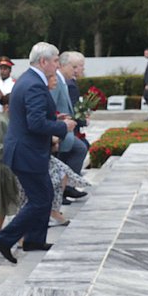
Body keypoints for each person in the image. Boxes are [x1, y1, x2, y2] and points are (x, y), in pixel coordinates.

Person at [0, 43, 75, 264]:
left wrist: (55, 120)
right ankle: (4, 238)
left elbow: (31, 117)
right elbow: (36, 123)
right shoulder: (35, 84)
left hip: (27, 151)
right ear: (43, 61)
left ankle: (34, 240)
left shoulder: (29, 79)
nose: (57, 65)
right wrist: (62, 128)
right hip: (27, 153)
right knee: (40, 199)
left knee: (44, 196)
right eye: (56, 60)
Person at [51, 52, 89, 203]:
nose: (76, 70)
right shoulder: (57, 81)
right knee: (77, 149)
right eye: (73, 67)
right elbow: (52, 106)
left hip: (65, 129)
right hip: (60, 129)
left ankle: (65, 188)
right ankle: (64, 188)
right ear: (63, 65)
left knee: (74, 151)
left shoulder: (64, 81)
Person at [0, 94, 20, 238]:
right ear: (7, 107)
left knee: (5, 203)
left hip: (10, 165)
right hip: (4, 167)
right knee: (11, 202)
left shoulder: (9, 119)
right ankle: (16, 237)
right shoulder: (0, 121)